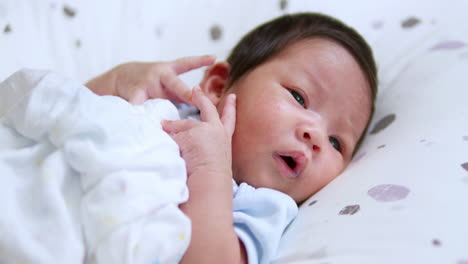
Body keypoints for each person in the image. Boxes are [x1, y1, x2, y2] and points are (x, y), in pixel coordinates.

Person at [86, 12, 378, 264]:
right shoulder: (173, 110)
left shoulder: (262, 208)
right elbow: (78, 118)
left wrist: (210, 171)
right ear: (218, 86)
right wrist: (119, 79)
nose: (315, 135)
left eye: (336, 142)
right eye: (299, 97)